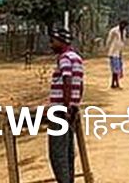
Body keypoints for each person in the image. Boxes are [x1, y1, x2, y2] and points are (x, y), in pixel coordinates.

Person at [48, 28, 83, 183]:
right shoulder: (77, 58)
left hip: (60, 110)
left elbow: (67, 80)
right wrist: (75, 105)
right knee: (68, 151)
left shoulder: (64, 58)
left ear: (61, 42)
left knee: (57, 153)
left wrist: (66, 106)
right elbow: (80, 85)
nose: (51, 44)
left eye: (53, 41)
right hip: (71, 109)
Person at [106, 20, 129, 89]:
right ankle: (116, 83)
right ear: (121, 24)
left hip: (119, 53)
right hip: (113, 53)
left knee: (117, 69)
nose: (124, 27)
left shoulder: (124, 32)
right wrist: (107, 48)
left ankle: (113, 84)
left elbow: (123, 41)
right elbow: (109, 40)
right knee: (115, 69)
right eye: (123, 25)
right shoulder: (114, 31)